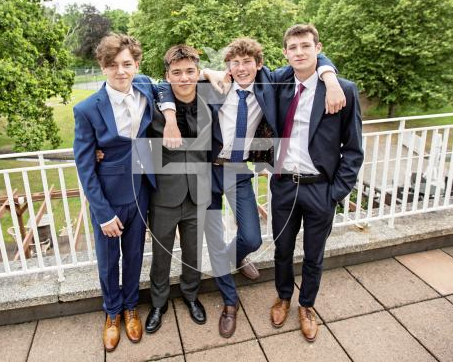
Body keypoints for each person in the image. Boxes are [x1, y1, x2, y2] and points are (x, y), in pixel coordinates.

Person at [159, 37, 346, 338]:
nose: (242, 68)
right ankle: (230, 302)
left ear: (259, 65)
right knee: (215, 240)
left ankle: (237, 256)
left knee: (252, 237)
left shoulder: (269, 84)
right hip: (207, 171)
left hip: (238, 170)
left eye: (248, 62)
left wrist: (330, 77)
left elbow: (309, 62)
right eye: (235, 63)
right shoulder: (213, 86)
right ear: (228, 67)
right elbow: (167, 84)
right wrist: (204, 74)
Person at [73, 33, 178, 352]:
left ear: (136, 64)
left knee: (133, 255)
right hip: (108, 195)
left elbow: (167, 86)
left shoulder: (145, 86)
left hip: (142, 189)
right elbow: (85, 165)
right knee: (108, 260)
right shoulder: (87, 109)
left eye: (127, 64)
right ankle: (112, 313)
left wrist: (171, 116)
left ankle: (131, 307)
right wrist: (102, 213)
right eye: (113, 65)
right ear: (103, 67)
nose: (121, 71)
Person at [268, 24, 363, 342]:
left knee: (313, 254)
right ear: (285, 52)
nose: (299, 52)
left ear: (318, 48)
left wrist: (335, 194)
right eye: (292, 47)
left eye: (305, 46)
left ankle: (306, 305)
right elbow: (246, 69)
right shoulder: (280, 83)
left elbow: (353, 150)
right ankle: (283, 296)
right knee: (282, 249)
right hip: (284, 185)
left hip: (320, 188)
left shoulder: (343, 90)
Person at [143, 45, 212, 333]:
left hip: (198, 192)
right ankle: (158, 302)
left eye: (190, 71)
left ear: (198, 73)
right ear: (167, 76)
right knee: (161, 254)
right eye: (176, 73)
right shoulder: (154, 104)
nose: (184, 78)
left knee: (193, 252)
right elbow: (134, 79)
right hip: (164, 196)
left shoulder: (211, 100)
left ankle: (191, 295)